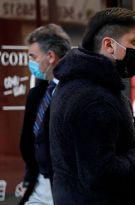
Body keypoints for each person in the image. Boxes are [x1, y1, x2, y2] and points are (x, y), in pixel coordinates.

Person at [49, 8, 135, 205]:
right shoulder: (95, 99)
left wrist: (133, 134)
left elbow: (92, 146)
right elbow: (100, 173)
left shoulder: (80, 84)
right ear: (109, 45)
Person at [17, 24, 71, 205]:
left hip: (65, 189)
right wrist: (29, 177)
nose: (30, 62)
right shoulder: (37, 94)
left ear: (50, 56)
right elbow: (31, 142)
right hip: (38, 186)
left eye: (33, 56)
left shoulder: (74, 92)